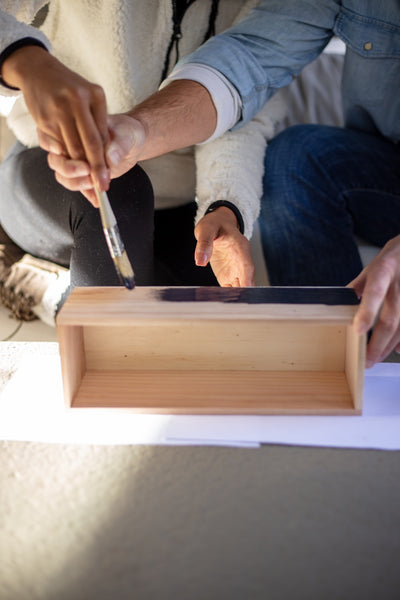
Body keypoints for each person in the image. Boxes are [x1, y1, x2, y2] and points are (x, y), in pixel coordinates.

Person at [38, 0, 399, 368]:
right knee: (294, 158)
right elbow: (244, 67)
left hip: (177, 200)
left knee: (177, 324)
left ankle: (55, 296)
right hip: (70, 177)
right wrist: (139, 131)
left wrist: (225, 203)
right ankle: (332, 362)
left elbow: (244, 123)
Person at [0, 0, 282, 324]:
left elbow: (242, 108)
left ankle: (49, 290)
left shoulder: (259, 7)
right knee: (121, 185)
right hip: (55, 178)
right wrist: (27, 61)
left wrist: (225, 207)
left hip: (180, 210)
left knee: (205, 327)